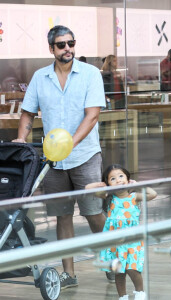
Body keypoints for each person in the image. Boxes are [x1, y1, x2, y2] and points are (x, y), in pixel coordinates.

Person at [12, 25, 111, 289]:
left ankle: (112, 257)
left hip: (85, 154)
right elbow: (27, 113)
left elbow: (92, 115)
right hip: (52, 160)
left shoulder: (90, 74)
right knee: (62, 215)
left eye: (71, 43)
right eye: (61, 45)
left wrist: (70, 143)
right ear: (51, 49)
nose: (68, 48)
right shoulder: (40, 77)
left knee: (93, 213)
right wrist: (22, 139)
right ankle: (69, 273)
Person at [85, 164, 157, 300]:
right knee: (118, 271)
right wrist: (103, 185)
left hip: (132, 241)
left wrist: (138, 184)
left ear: (128, 179)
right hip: (115, 243)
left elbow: (153, 194)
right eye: (112, 179)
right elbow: (87, 188)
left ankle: (140, 293)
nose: (118, 180)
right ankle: (122, 297)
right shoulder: (109, 198)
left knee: (132, 269)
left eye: (121, 176)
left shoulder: (134, 197)